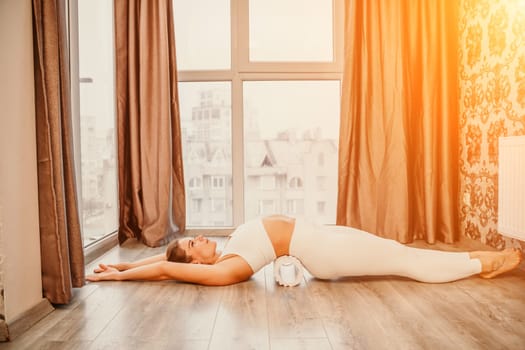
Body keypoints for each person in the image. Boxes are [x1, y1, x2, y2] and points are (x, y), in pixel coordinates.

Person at [86, 215, 523, 285]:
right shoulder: (227, 269)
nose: (198, 239)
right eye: (192, 245)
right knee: (404, 263)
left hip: (325, 235)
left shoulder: (228, 248)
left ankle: (475, 262)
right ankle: (484, 264)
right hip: (328, 255)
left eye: (192, 238)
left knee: (396, 248)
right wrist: (121, 279)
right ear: (196, 262)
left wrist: (123, 264)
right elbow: (168, 270)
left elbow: (164, 259)